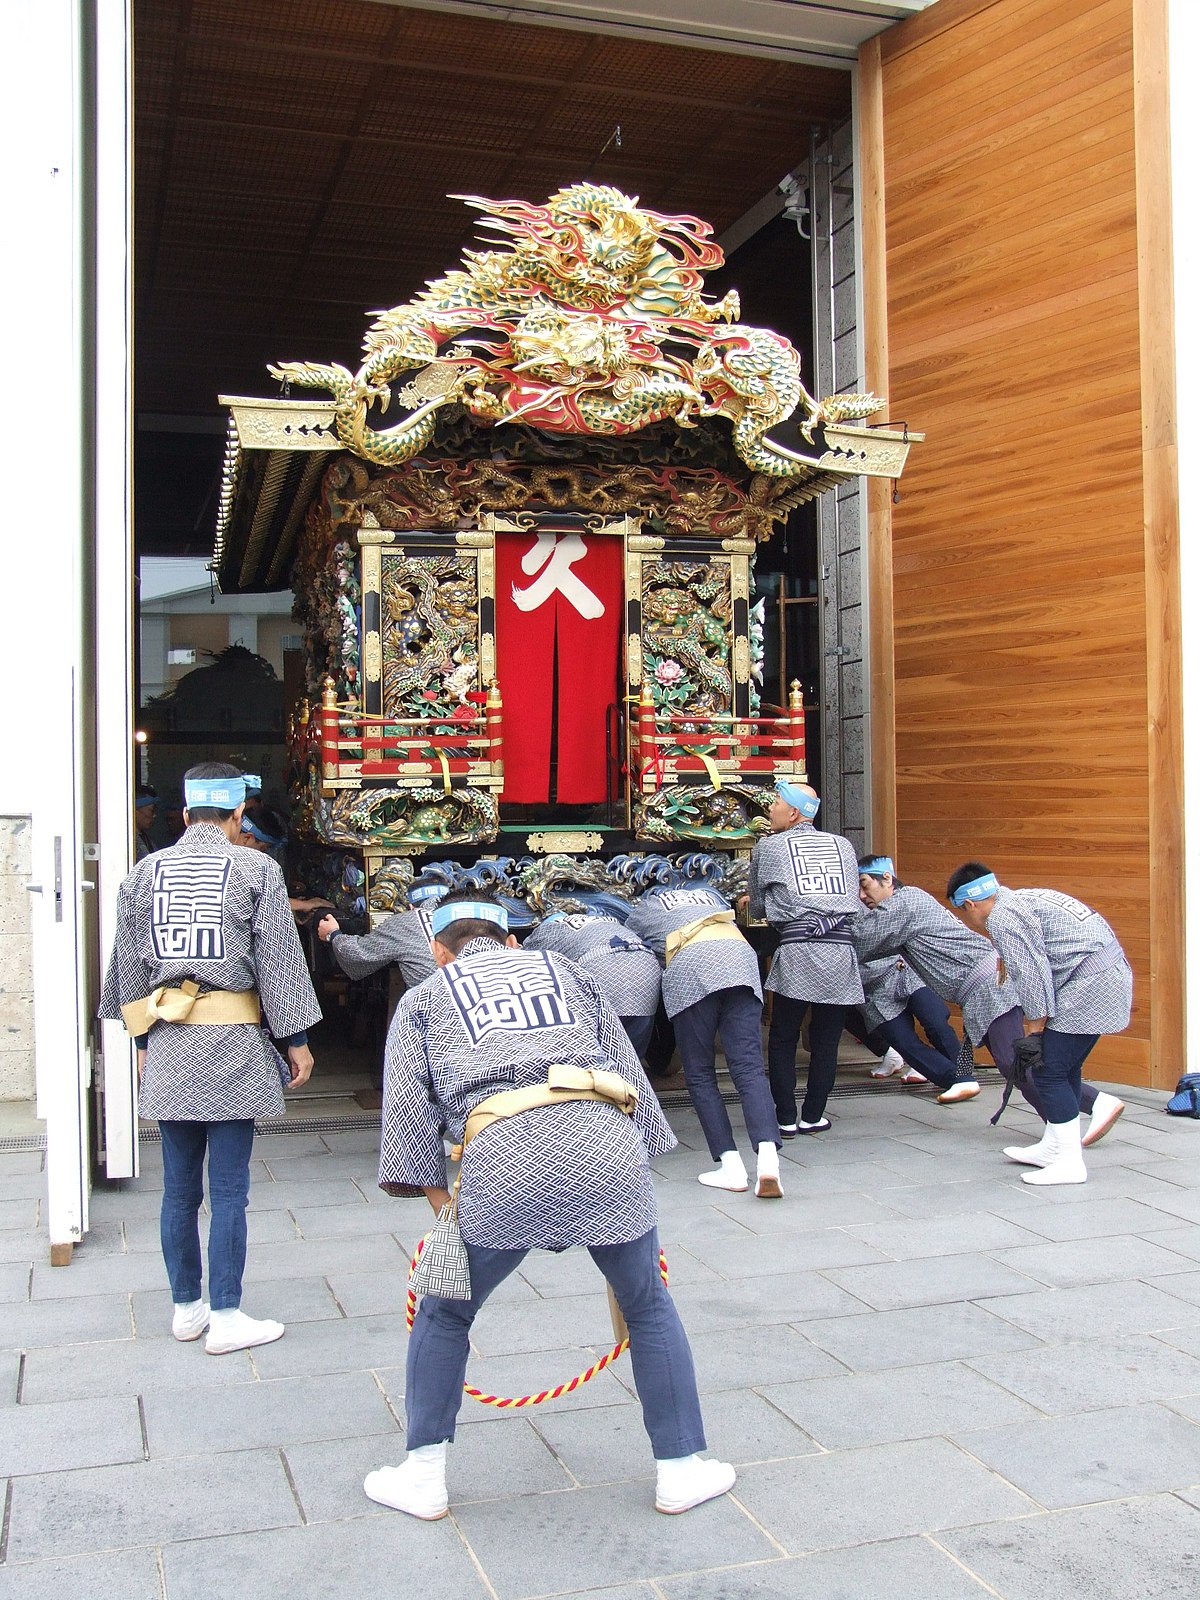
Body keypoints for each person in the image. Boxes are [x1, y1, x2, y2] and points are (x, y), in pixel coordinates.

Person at [367, 889, 735, 1520]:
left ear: (438, 952)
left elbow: (410, 1110)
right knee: (647, 1305)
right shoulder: (568, 972)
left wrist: (442, 1207)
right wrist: (639, 1157)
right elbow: (628, 1068)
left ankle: (423, 1474)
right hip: (603, 1142)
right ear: (512, 940)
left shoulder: (426, 996)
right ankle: (681, 1468)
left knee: (446, 1312)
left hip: (499, 1155)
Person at [99, 762, 321, 1354]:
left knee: (177, 1191)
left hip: (171, 1044)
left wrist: (143, 1044)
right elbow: (277, 961)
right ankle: (226, 1315)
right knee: (228, 1190)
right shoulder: (256, 869)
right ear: (238, 813)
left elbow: (127, 968)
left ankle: (186, 1309)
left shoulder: (144, 872)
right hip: (235, 1044)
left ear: (184, 813)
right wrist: (295, 1040)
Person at [948, 863, 1130, 1184]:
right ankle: (1054, 1148)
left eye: (963, 913)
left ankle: (1070, 1164)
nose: (969, 921)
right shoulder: (1022, 899)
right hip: (1105, 976)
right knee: (1066, 1068)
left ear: (970, 904)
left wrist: (1034, 1025)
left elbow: (1032, 974)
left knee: (1048, 1072)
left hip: (1089, 984)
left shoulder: (1003, 917)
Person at [625, 885, 782, 1196]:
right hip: (740, 959)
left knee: (699, 1074)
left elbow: (634, 946)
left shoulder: (647, 906)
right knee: (749, 1069)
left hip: (692, 963)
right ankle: (768, 1162)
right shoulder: (712, 897)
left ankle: (730, 1165)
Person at [744, 780, 863, 1136]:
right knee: (827, 1038)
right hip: (841, 950)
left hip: (798, 948)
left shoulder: (770, 846)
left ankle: (784, 1116)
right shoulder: (843, 845)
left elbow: (760, 905)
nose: (770, 807)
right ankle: (814, 1115)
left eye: (776, 802)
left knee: (783, 1035)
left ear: (793, 813)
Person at [854, 856, 976, 1100]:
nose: (861, 894)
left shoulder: (910, 898)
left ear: (886, 878)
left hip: (910, 972)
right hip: (875, 986)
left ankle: (965, 1075)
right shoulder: (852, 908)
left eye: (865, 885)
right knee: (903, 1041)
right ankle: (954, 1079)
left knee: (936, 1021)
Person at [522, 909, 662, 1058]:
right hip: (645, 966)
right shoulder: (609, 920)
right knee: (630, 1058)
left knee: (594, 1056)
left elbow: (526, 963)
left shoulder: (549, 929)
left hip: (601, 967)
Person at [317, 880, 447, 987]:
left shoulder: (406, 921)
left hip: (430, 1005)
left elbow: (357, 955)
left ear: (411, 906)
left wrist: (333, 934)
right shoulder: (465, 912)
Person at [134, 787, 157, 861]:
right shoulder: (128, 840)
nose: (154, 815)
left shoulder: (146, 838)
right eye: (151, 811)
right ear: (136, 811)